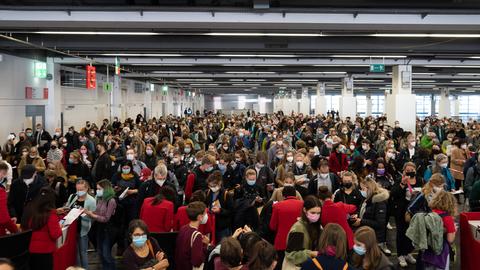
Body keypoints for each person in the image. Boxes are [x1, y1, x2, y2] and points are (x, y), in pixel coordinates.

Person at [390, 162, 422, 267]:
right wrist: (402, 184)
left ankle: (408, 252)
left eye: (411, 170)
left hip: (416, 212)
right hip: (402, 212)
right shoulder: (400, 180)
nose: (409, 172)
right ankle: (400, 255)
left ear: (415, 170)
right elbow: (393, 193)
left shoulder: (420, 180)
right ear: (404, 171)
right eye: (407, 170)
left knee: (412, 233)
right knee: (401, 233)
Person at [21, 187, 62, 270]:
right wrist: (60, 228)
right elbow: (55, 234)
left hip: (30, 249)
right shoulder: (51, 214)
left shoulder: (30, 209)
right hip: (45, 251)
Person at [83, 179, 117, 270]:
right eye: (97, 189)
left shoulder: (111, 201)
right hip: (99, 228)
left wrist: (92, 215)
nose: (97, 191)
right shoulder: (99, 199)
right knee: (100, 252)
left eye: (99, 189)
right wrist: (89, 212)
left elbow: (106, 218)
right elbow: (97, 212)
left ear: (106, 189)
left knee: (106, 254)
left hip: (107, 230)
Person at [352, 176, 390, 255]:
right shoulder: (366, 198)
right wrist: (358, 216)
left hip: (374, 238)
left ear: (369, 188)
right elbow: (364, 212)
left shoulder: (379, 202)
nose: (361, 191)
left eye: (363, 189)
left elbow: (380, 223)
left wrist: (361, 221)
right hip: (366, 234)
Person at [64, 180, 96, 270]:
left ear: (86, 188)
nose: (79, 192)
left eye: (81, 190)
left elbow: (93, 217)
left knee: (83, 252)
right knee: (75, 252)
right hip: (71, 228)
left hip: (83, 229)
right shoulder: (73, 196)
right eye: (77, 190)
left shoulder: (91, 201)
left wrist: (85, 213)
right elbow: (67, 206)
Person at [269, 186, 303, 268]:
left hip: (281, 242)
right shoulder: (302, 204)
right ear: (295, 194)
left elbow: (272, 226)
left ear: (283, 196)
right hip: (299, 242)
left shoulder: (277, 206)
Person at [283, 196, 322, 267]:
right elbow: (291, 254)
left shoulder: (316, 226)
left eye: (318, 213)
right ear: (304, 210)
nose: (316, 215)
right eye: (313, 212)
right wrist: (311, 253)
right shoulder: (298, 228)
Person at [174, 201, 211, 270]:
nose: (206, 216)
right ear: (200, 217)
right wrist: (206, 245)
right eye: (205, 214)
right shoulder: (197, 235)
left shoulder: (183, 228)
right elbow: (197, 262)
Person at [425, 191, 457, 270]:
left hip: (427, 251)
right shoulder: (447, 218)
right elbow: (450, 239)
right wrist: (454, 230)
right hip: (441, 252)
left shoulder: (430, 214)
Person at [205, 171, 234, 241]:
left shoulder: (226, 195)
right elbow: (206, 205)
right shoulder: (208, 192)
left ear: (219, 183)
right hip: (211, 224)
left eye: (214, 186)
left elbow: (231, 211)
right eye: (210, 186)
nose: (212, 188)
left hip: (223, 227)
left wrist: (220, 210)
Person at [0, 162, 17, 236]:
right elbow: (3, 218)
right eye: (3, 173)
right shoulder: (0, 191)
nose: (4, 176)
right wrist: (15, 230)